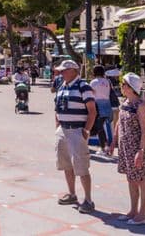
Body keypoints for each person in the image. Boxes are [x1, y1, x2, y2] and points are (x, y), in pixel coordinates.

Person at [53, 59, 97, 214]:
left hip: (77, 131)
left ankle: (88, 200)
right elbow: (56, 108)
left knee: (81, 167)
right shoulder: (62, 86)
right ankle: (72, 194)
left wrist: (86, 131)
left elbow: (92, 111)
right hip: (63, 130)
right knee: (66, 165)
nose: (61, 73)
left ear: (73, 70)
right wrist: (57, 126)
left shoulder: (83, 86)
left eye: (64, 70)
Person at [108, 73, 145, 226]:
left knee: (141, 180)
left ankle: (142, 214)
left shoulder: (140, 106)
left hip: (137, 147)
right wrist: (113, 141)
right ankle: (133, 211)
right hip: (125, 146)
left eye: (124, 84)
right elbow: (119, 123)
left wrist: (140, 151)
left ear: (132, 87)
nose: (121, 86)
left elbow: (144, 130)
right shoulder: (125, 102)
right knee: (131, 179)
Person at [90, 65, 113, 157]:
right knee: (101, 127)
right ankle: (105, 146)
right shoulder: (107, 81)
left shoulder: (93, 82)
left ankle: (104, 147)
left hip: (98, 106)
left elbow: (90, 94)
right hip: (107, 105)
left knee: (99, 128)